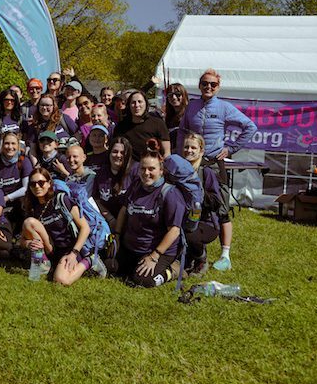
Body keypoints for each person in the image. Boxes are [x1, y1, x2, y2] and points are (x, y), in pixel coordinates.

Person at [177, 68, 257, 272]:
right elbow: (182, 132)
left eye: (213, 84)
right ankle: (194, 251)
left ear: (218, 87)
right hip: (192, 164)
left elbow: (250, 127)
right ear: (199, 85)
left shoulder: (224, 107)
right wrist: (180, 157)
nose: (208, 87)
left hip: (213, 163)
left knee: (220, 207)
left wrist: (232, 148)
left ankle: (225, 255)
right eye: (205, 83)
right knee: (191, 205)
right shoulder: (192, 106)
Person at [109, 144, 184, 287]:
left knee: (144, 281)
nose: (146, 173)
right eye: (143, 168)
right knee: (110, 267)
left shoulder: (170, 194)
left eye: (152, 169)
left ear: (161, 171)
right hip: (132, 247)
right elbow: (124, 210)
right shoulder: (136, 185)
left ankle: (174, 269)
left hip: (157, 251)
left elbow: (174, 230)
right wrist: (117, 236)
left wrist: (155, 256)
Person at [20, 167, 95, 285]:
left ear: (49, 183)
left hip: (71, 249)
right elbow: (22, 240)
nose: (37, 187)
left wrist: (74, 253)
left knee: (61, 280)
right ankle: (43, 262)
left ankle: (89, 261)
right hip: (51, 249)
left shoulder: (62, 200)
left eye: (41, 183)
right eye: (33, 184)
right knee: (29, 222)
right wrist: (30, 244)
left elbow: (85, 228)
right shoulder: (32, 207)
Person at [181, 133, 222, 277]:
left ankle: (201, 258)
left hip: (206, 222)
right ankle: (187, 258)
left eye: (193, 147)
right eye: (186, 147)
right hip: (183, 218)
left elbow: (217, 201)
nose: (189, 150)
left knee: (190, 234)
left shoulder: (206, 172)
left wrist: (199, 195)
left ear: (201, 151)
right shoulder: (177, 171)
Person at [92, 137, 137, 233]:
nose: (118, 155)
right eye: (115, 151)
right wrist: (110, 219)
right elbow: (96, 199)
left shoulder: (136, 171)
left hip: (130, 224)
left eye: (122, 152)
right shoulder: (101, 172)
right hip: (108, 223)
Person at [0, 132, 35, 231]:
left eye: (13, 143)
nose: (10, 147)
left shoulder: (24, 160)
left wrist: (6, 198)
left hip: (17, 200)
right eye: (7, 143)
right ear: (2, 145)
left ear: (18, 145)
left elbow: (26, 188)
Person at [113, 90, 170, 160]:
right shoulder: (121, 127)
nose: (137, 105)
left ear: (146, 104)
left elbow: (166, 153)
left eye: (140, 102)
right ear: (129, 105)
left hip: (152, 166)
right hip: (129, 168)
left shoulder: (158, 123)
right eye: (133, 102)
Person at [0, 88, 22, 157]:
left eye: (12, 100)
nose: (9, 102)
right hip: (0, 154)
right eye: (6, 100)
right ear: (2, 101)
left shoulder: (20, 118)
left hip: (15, 155)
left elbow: (22, 139)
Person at [164, 83, 189, 153]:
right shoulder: (168, 116)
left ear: (184, 95)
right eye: (170, 95)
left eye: (178, 94)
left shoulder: (189, 113)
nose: (174, 97)